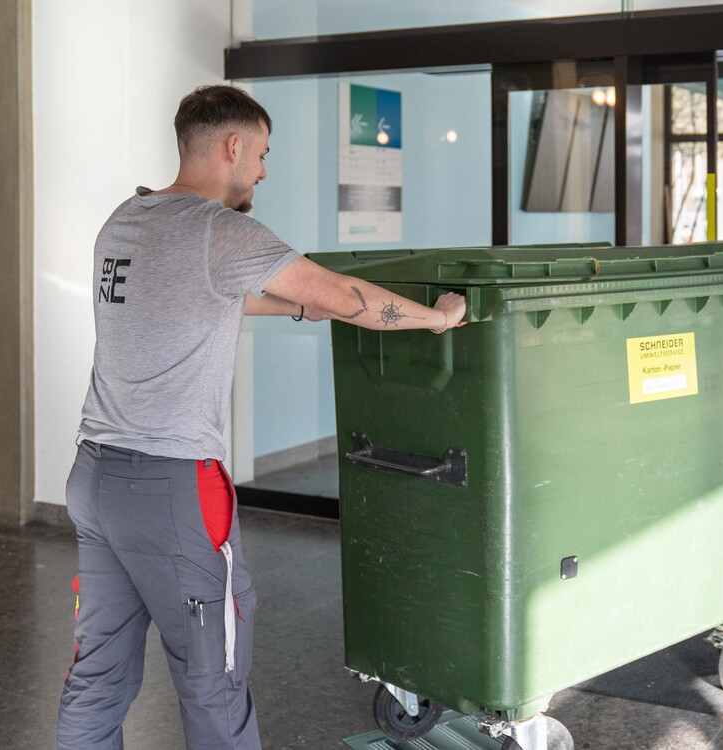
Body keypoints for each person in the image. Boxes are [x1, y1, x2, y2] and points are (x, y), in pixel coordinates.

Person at [57, 84, 466, 750]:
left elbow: (202, 295)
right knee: (213, 681)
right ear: (232, 145)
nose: (263, 171)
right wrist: (436, 319)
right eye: (263, 154)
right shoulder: (219, 229)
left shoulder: (125, 221)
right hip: (173, 489)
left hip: (95, 478)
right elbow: (345, 295)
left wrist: (298, 307)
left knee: (96, 677)